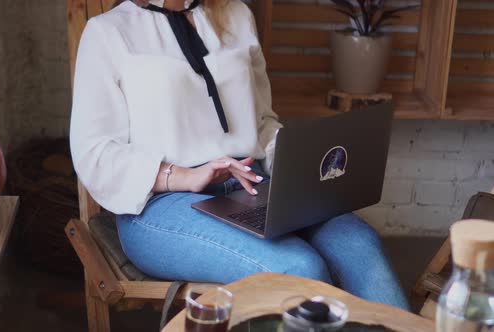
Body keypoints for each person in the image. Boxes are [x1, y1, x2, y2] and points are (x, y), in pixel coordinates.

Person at [70, 0, 409, 310]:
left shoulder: (237, 15)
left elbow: (261, 123)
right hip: (161, 203)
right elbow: (94, 152)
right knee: (299, 267)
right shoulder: (108, 33)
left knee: (359, 244)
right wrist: (185, 175)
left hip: (253, 185)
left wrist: (300, 167)